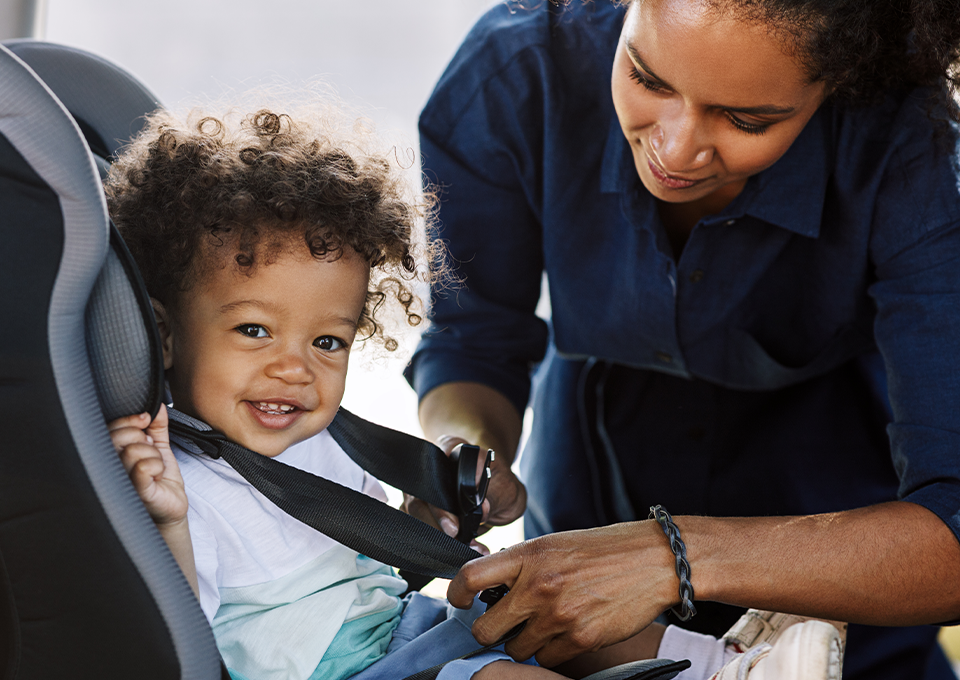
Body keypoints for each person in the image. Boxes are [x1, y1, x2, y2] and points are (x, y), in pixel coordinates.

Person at [102, 102, 838, 680]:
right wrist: (165, 521)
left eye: (327, 342)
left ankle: (725, 667)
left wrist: (421, 520)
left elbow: (358, 560)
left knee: (545, 608)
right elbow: (177, 642)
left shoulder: (312, 434)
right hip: (342, 672)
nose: (296, 369)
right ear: (164, 335)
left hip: (399, 630)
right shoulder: (177, 482)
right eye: (255, 332)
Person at [403, 0, 960, 678]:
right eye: (648, 78)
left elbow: (952, 526)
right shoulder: (517, 71)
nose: (675, 148)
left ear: (840, 81)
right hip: (586, 494)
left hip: (841, 530)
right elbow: (474, 338)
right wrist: (462, 454)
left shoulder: (917, 142)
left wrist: (673, 555)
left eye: (745, 119)